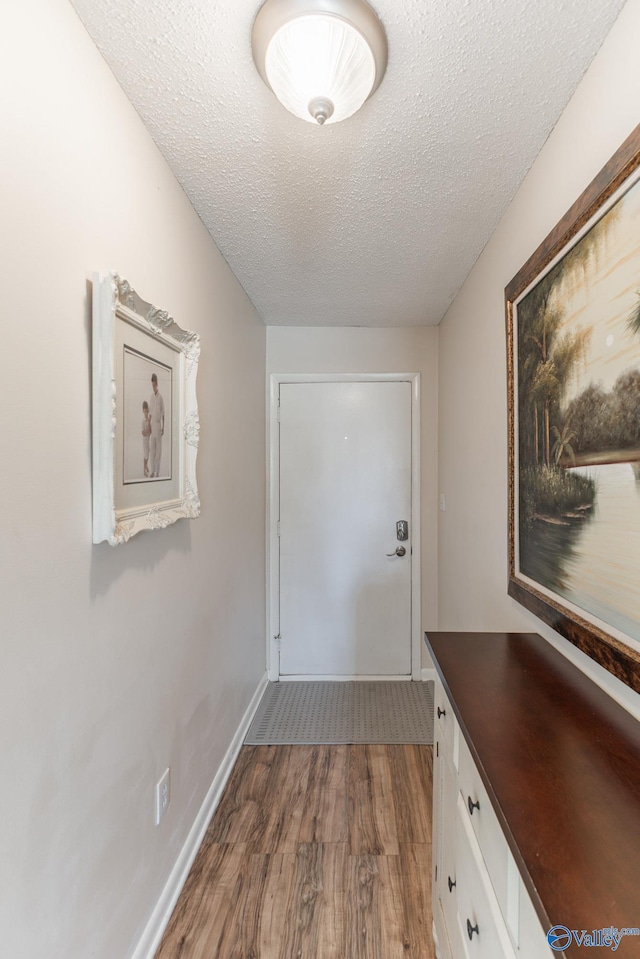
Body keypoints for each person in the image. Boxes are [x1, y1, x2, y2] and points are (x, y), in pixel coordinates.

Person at [148, 373, 165, 478]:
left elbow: (163, 413)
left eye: (154, 385)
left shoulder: (161, 398)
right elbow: (149, 413)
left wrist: (164, 427)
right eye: (152, 385)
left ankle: (157, 471)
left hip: (158, 425)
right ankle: (152, 471)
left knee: (158, 449)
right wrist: (149, 426)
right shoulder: (151, 397)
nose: (153, 387)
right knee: (152, 449)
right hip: (152, 425)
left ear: (157, 384)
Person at [141, 400, 151, 477]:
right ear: (143, 411)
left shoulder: (149, 420)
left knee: (148, 454)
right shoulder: (143, 421)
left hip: (149, 439)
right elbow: (143, 433)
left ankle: (146, 466)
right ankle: (144, 470)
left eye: (147, 411)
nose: (146, 413)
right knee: (146, 455)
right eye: (145, 412)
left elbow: (150, 431)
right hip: (145, 441)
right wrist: (148, 431)